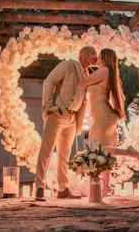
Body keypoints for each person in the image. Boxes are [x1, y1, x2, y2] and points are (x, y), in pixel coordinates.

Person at [70, 48, 139, 197]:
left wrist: (77, 65)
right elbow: (87, 80)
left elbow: (83, 82)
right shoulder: (105, 72)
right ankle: (106, 186)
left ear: (104, 58)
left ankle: (129, 153)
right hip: (106, 116)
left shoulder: (105, 71)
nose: (96, 58)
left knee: (94, 150)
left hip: (104, 116)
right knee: (104, 154)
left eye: (98, 56)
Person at [35, 47, 98, 201]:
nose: (96, 57)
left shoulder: (87, 75)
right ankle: (39, 187)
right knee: (46, 151)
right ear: (84, 55)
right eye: (93, 54)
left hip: (72, 118)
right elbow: (49, 82)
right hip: (57, 115)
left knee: (64, 154)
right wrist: (50, 107)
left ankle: (63, 189)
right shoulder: (67, 66)